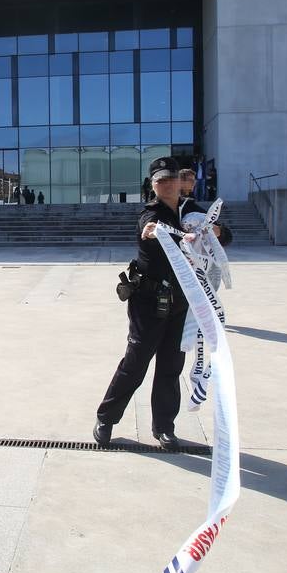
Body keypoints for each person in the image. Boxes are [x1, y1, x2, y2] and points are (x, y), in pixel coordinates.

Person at [94, 156, 191, 451]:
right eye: (160, 180)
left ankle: (164, 427)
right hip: (148, 302)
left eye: (170, 178)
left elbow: (224, 234)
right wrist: (151, 232)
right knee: (135, 364)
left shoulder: (192, 212)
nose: (166, 184)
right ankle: (106, 418)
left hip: (180, 303)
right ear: (153, 185)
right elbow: (148, 229)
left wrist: (217, 233)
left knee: (171, 367)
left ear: (180, 181)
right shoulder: (151, 213)